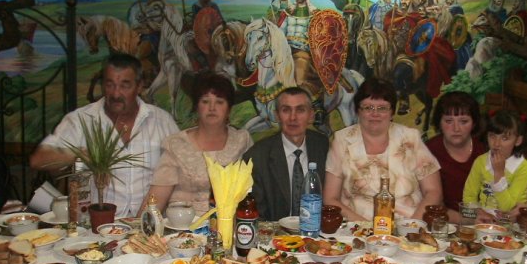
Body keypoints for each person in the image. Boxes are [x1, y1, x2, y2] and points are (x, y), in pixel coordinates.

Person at [30, 53, 179, 217]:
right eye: (109, 85)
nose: (116, 94)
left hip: (151, 224)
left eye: (125, 86)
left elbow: (182, 170)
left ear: (139, 86)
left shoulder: (162, 121)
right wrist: (82, 153)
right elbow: (38, 159)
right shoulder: (81, 119)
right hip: (96, 225)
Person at [323, 78, 442, 222]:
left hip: (409, 225)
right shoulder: (342, 140)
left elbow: (433, 191)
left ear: (392, 112)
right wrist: (366, 228)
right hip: (357, 226)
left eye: (382, 108)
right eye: (368, 107)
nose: (375, 114)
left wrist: (413, 225)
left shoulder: (411, 138)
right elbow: (330, 198)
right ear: (358, 111)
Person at [138, 72, 252, 217]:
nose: (212, 108)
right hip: (183, 226)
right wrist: (140, 227)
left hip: (230, 225)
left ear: (229, 109)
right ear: (196, 107)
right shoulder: (176, 145)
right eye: (205, 101)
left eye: (219, 102)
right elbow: (156, 198)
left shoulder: (242, 141)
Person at [243, 87, 329, 221]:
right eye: (286, 110)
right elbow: (255, 213)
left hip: (316, 229)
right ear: (277, 115)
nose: (293, 118)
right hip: (273, 231)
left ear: (311, 115)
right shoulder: (257, 156)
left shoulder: (324, 147)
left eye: (300, 110)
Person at [426, 92, 486, 223]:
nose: (456, 128)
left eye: (463, 121)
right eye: (449, 121)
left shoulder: (485, 149)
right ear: (439, 123)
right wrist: (467, 219)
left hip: (486, 221)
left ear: (474, 123)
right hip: (442, 222)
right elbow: (428, 203)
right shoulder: (428, 151)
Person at [463, 109, 527, 216]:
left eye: (504, 138)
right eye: (492, 136)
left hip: (512, 221)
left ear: (518, 141)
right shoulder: (481, 161)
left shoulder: (523, 167)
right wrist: (479, 213)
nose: (496, 144)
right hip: (484, 220)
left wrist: (499, 174)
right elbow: (468, 197)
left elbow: (507, 207)